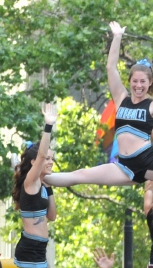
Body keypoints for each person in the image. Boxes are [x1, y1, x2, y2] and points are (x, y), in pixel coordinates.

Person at [46, 22, 153, 189]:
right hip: (124, 166)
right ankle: (37, 178)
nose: (139, 86)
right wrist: (117, 37)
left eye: (143, 82)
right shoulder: (121, 98)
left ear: (150, 83)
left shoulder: (151, 105)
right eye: (135, 81)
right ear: (129, 81)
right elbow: (111, 68)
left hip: (146, 161)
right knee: (80, 174)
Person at [11, 103, 58, 268]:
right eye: (47, 158)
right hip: (30, 247)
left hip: (39, 247)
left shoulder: (41, 185)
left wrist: (50, 189)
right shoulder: (30, 182)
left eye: (51, 158)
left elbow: (52, 216)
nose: (50, 161)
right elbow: (39, 158)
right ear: (34, 161)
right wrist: (48, 126)